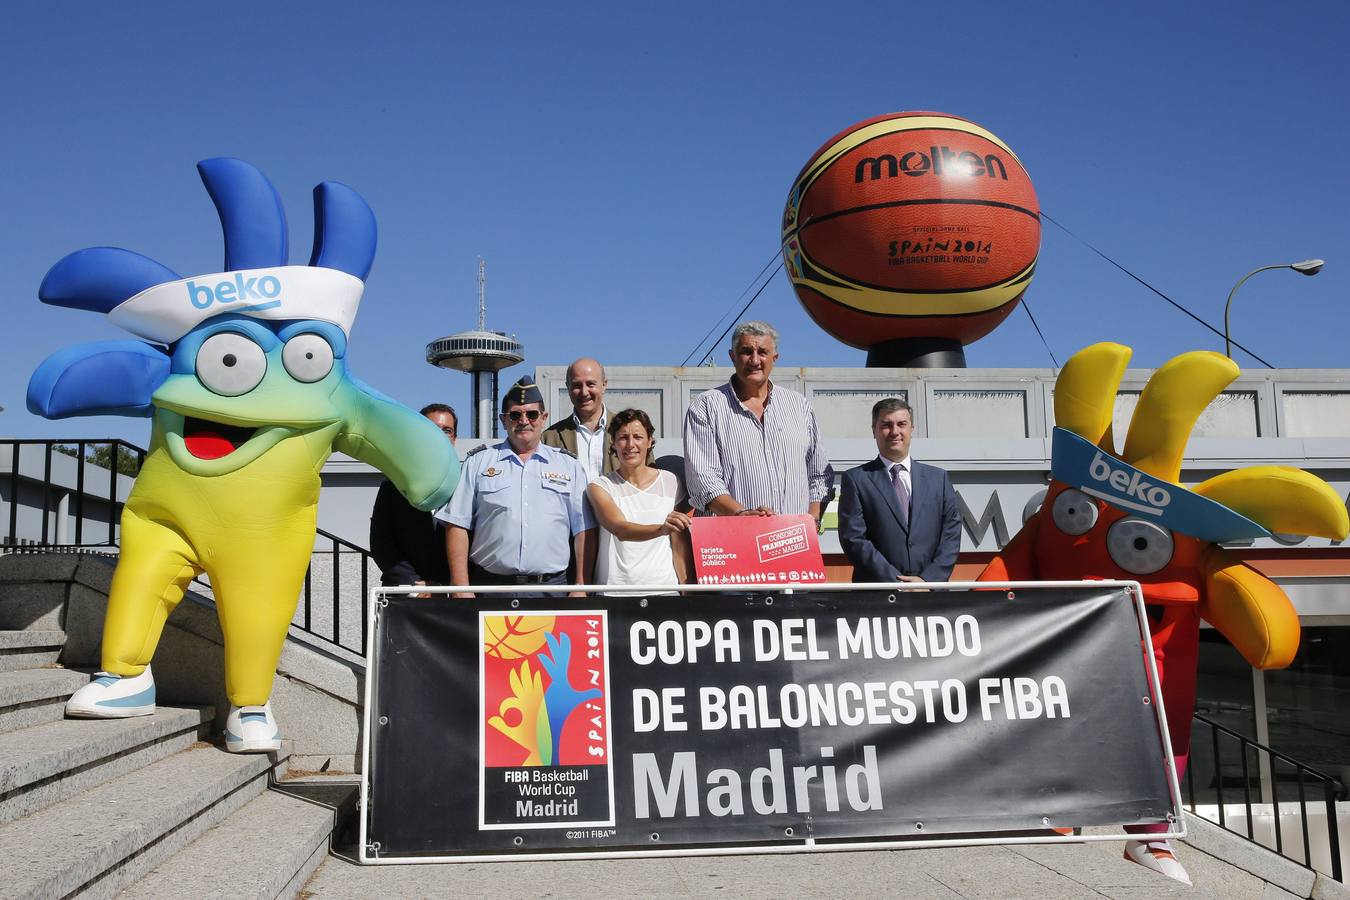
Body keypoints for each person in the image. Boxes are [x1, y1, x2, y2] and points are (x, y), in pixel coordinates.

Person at [438, 377, 595, 597]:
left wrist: (581, 587)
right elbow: (457, 525)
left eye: (531, 414)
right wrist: (460, 588)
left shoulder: (569, 466)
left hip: (552, 590)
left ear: (544, 418)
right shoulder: (478, 463)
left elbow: (584, 530)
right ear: (503, 420)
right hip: (490, 588)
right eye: (515, 415)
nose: (524, 421)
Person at [683, 321, 829, 528]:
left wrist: (812, 520)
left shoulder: (799, 406)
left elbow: (819, 474)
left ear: (774, 358)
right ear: (732, 356)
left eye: (762, 352)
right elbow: (703, 480)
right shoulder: (706, 407)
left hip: (794, 541)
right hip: (733, 540)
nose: (754, 360)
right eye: (745, 351)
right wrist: (741, 514)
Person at [838, 398, 961, 584]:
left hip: (930, 596)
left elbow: (951, 535)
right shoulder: (856, 480)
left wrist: (927, 580)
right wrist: (896, 582)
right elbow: (854, 539)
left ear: (911, 429)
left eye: (901, 424)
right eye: (886, 425)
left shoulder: (939, 479)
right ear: (874, 430)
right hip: (878, 596)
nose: (895, 432)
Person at [587, 409, 692, 594]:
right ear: (613, 442)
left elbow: (678, 542)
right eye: (623, 438)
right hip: (615, 594)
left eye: (638, 437)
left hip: (665, 592)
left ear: (650, 441)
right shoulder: (600, 486)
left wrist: (686, 589)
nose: (630, 444)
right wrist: (661, 529)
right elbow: (620, 529)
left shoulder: (672, 482)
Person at [369, 403, 457, 596]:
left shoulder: (467, 484)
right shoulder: (394, 485)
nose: (439, 436)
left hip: (455, 596)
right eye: (431, 429)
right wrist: (413, 584)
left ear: (454, 439)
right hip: (406, 597)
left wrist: (447, 585)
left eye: (447, 431)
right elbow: (381, 542)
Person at [542, 357, 614, 481]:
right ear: (568, 387)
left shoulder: (629, 432)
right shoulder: (549, 439)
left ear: (604, 385)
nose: (584, 392)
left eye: (591, 384)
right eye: (577, 385)